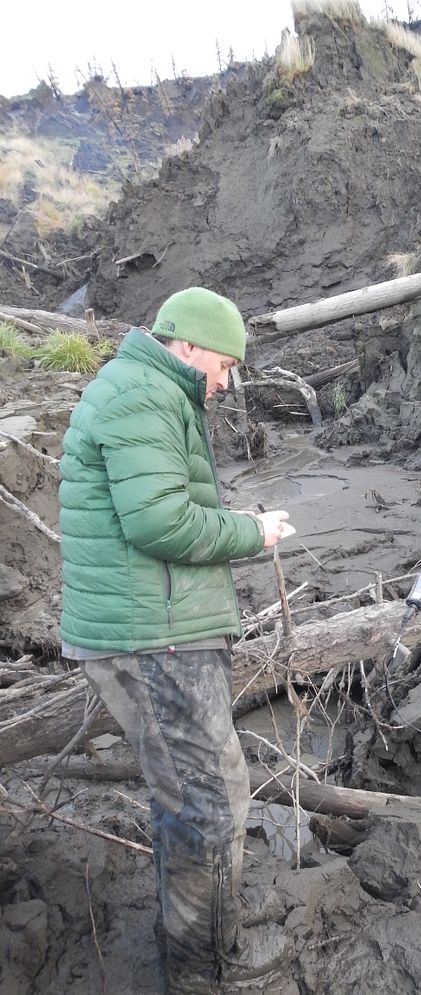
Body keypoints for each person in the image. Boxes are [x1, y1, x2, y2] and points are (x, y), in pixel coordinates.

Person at [59, 287, 292, 993]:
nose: (224, 382)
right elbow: (159, 523)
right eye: (223, 365)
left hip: (157, 630)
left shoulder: (147, 391)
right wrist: (253, 531)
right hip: (153, 639)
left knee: (185, 794)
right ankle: (203, 970)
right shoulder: (144, 397)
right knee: (213, 801)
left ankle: (190, 947)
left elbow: (160, 508)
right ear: (187, 345)